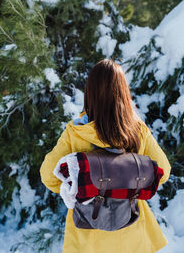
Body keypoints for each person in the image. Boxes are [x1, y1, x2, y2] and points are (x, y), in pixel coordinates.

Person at [40, 59, 171, 253]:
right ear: (123, 93)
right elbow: (163, 171)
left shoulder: (76, 132)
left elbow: (49, 176)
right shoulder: (138, 131)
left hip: (87, 235)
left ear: (90, 93)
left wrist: (80, 187)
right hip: (132, 232)